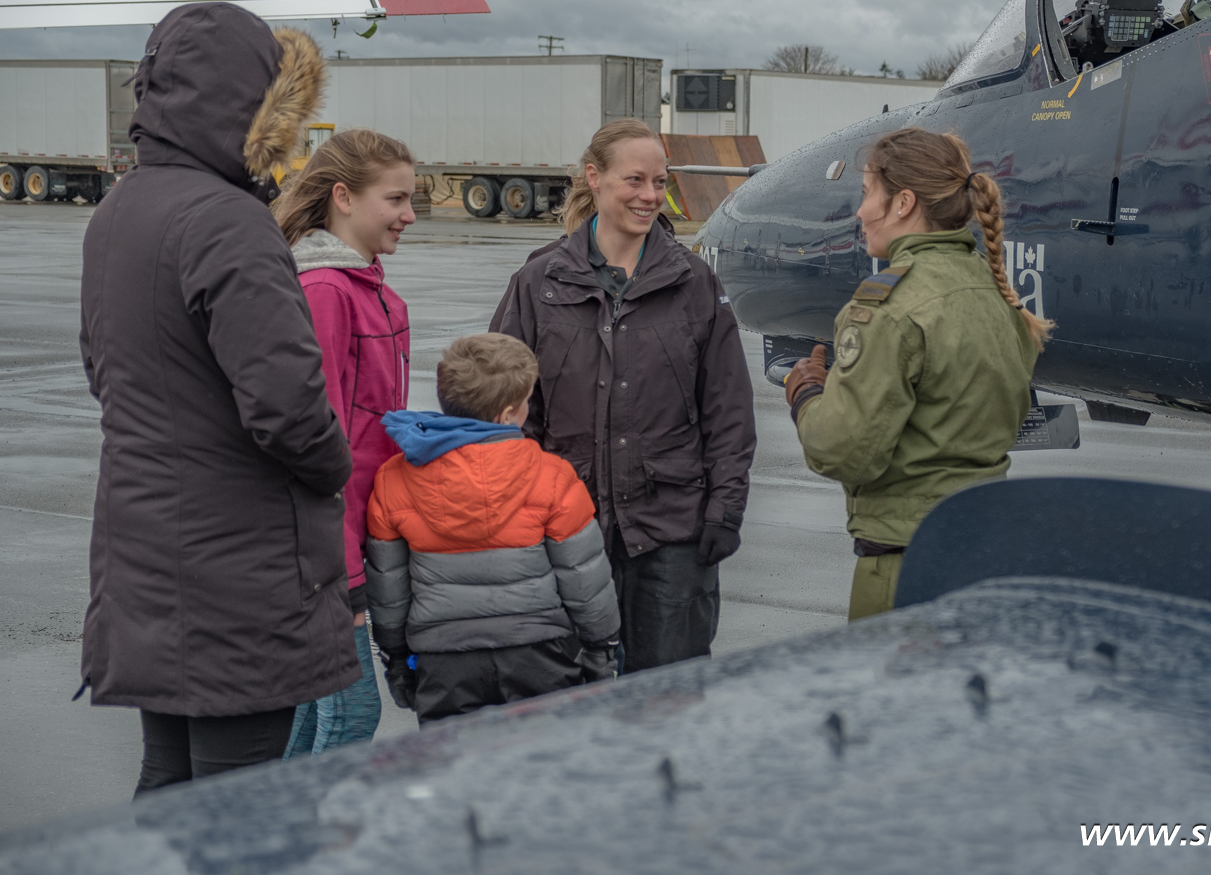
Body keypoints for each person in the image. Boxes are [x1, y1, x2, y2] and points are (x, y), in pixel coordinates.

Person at [78, 3, 355, 794]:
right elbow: (288, 407)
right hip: (237, 571)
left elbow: (102, 369)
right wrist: (335, 470)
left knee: (172, 784)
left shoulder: (119, 210)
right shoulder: (229, 220)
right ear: (256, 105)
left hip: (144, 551)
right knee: (244, 811)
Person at [490, 118, 756, 674]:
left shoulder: (694, 284)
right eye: (635, 180)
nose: (650, 196)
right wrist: (520, 512)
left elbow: (728, 410)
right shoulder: (539, 283)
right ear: (594, 177)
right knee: (568, 701)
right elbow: (505, 414)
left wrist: (726, 510)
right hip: (566, 532)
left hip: (672, 537)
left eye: (659, 182)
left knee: (667, 699)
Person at [783, 127, 1053, 621]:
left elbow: (841, 449)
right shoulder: (996, 292)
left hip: (908, 566)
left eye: (868, 194)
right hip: (987, 556)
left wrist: (806, 394)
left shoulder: (890, 307)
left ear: (904, 203)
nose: (860, 212)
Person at [365, 334, 621, 724]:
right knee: (544, 756)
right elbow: (584, 577)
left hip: (444, 659)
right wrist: (601, 650)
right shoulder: (552, 476)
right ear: (506, 415)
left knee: (455, 759)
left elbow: (389, 586)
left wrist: (396, 659)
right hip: (539, 654)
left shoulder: (394, 479)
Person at [273, 129, 417, 756]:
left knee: (313, 718)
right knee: (351, 713)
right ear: (343, 197)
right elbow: (315, 440)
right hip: (328, 550)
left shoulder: (369, 287)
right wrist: (340, 567)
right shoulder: (326, 292)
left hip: (355, 537)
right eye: (396, 199)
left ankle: (276, 817)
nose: (410, 215)